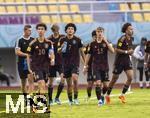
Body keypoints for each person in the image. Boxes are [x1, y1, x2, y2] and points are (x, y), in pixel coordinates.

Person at [27, 23, 54, 113]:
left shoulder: (49, 43)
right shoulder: (33, 43)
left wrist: (52, 58)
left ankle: (34, 106)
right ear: (37, 30)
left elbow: (51, 53)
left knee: (42, 87)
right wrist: (29, 68)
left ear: (45, 30)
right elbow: (28, 55)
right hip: (36, 66)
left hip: (45, 67)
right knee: (42, 84)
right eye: (39, 29)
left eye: (42, 29)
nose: (40, 30)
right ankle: (43, 107)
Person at [83, 27, 114, 106]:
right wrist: (85, 66)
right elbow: (88, 55)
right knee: (98, 83)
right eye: (98, 31)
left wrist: (106, 41)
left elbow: (112, 51)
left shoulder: (106, 42)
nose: (99, 33)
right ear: (96, 33)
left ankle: (102, 95)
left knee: (106, 86)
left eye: (101, 31)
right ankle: (99, 100)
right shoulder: (92, 44)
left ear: (103, 33)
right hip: (96, 66)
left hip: (105, 66)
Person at [106, 23, 134, 104]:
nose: (132, 30)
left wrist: (130, 52)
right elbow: (117, 49)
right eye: (130, 29)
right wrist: (126, 52)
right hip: (119, 61)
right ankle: (107, 95)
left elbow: (129, 49)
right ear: (126, 30)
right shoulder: (122, 39)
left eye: (132, 29)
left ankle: (122, 95)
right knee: (114, 79)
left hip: (127, 61)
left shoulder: (131, 39)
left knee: (130, 77)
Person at [58, 23, 85, 105]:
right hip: (66, 64)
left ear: (74, 31)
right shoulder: (62, 40)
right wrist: (61, 48)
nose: (70, 30)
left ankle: (76, 98)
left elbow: (82, 52)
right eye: (69, 28)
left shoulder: (78, 40)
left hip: (75, 63)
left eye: (72, 29)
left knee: (75, 79)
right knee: (69, 83)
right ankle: (70, 100)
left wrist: (85, 63)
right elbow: (58, 51)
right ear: (66, 30)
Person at [15, 25, 34, 102]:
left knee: (31, 80)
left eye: (31, 30)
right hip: (22, 63)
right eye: (29, 30)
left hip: (31, 63)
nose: (30, 31)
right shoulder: (19, 40)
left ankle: (30, 99)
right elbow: (17, 52)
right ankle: (25, 97)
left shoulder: (33, 40)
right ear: (25, 31)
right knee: (23, 82)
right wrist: (26, 55)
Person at [47, 24, 65, 105]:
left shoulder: (63, 38)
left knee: (62, 79)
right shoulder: (49, 39)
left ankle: (57, 98)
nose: (56, 31)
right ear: (52, 30)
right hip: (52, 63)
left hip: (61, 62)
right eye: (54, 30)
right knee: (50, 83)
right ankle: (50, 99)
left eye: (57, 29)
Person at [84, 30, 96, 102]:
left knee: (99, 82)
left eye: (96, 36)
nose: (96, 37)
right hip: (91, 66)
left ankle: (100, 97)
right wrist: (85, 66)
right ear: (92, 37)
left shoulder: (102, 43)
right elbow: (85, 55)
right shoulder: (89, 45)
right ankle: (88, 96)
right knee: (90, 84)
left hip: (99, 66)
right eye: (94, 36)